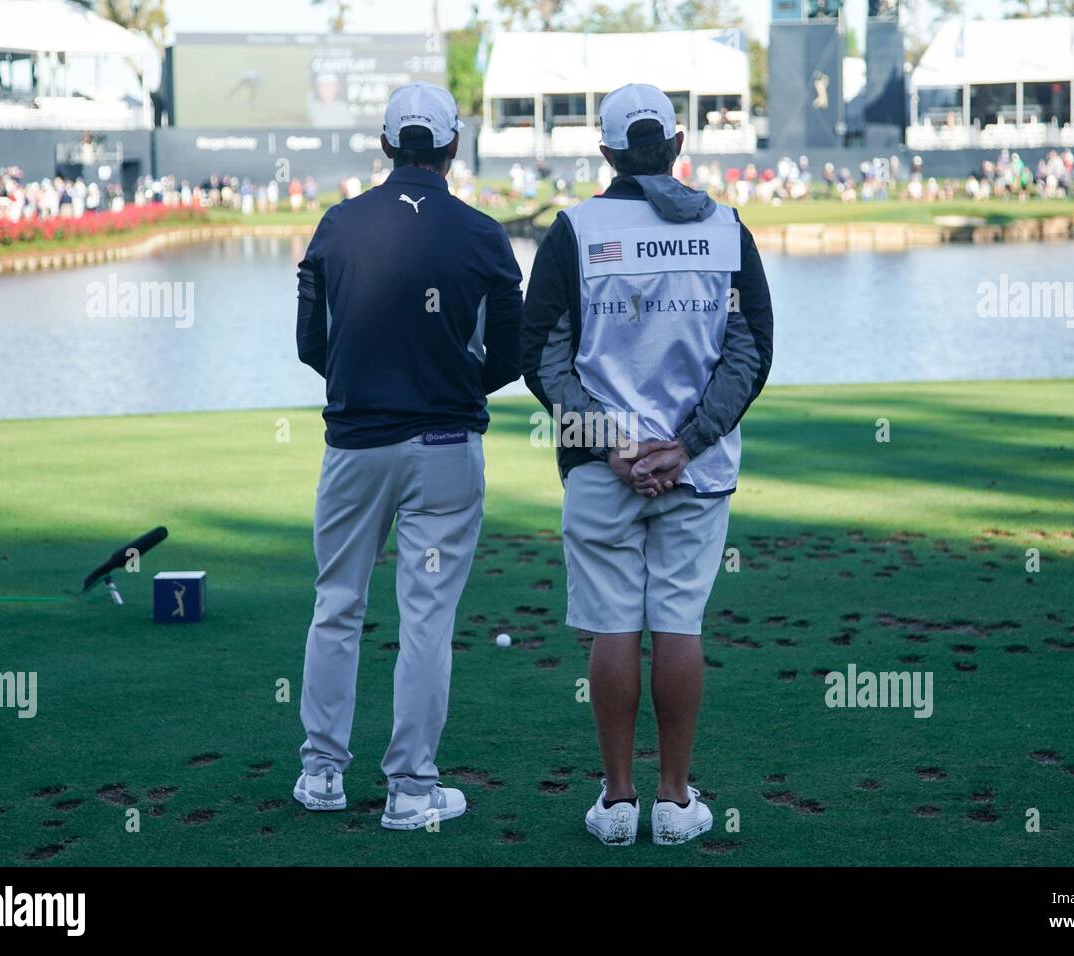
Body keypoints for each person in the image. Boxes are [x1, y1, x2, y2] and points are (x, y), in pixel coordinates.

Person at [520, 84, 773, 846]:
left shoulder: (573, 228)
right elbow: (750, 351)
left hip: (604, 470)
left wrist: (612, 442)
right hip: (695, 470)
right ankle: (674, 799)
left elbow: (540, 358)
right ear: (677, 142)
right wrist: (687, 442)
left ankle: (619, 801)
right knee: (678, 625)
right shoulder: (727, 228)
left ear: (606, 154)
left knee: (612, 627)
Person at [293, 82, 523, 830]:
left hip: (356, 445)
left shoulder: (336, 225)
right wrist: (451, 382)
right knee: (425, 619)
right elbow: (510, 355)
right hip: (447, 449)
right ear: (453, 146)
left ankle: (322, 774)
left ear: (387, 145)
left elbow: (311, 347)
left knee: (337, 606)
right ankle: (413, 791)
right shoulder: (484, 234)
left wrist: (368, 381)